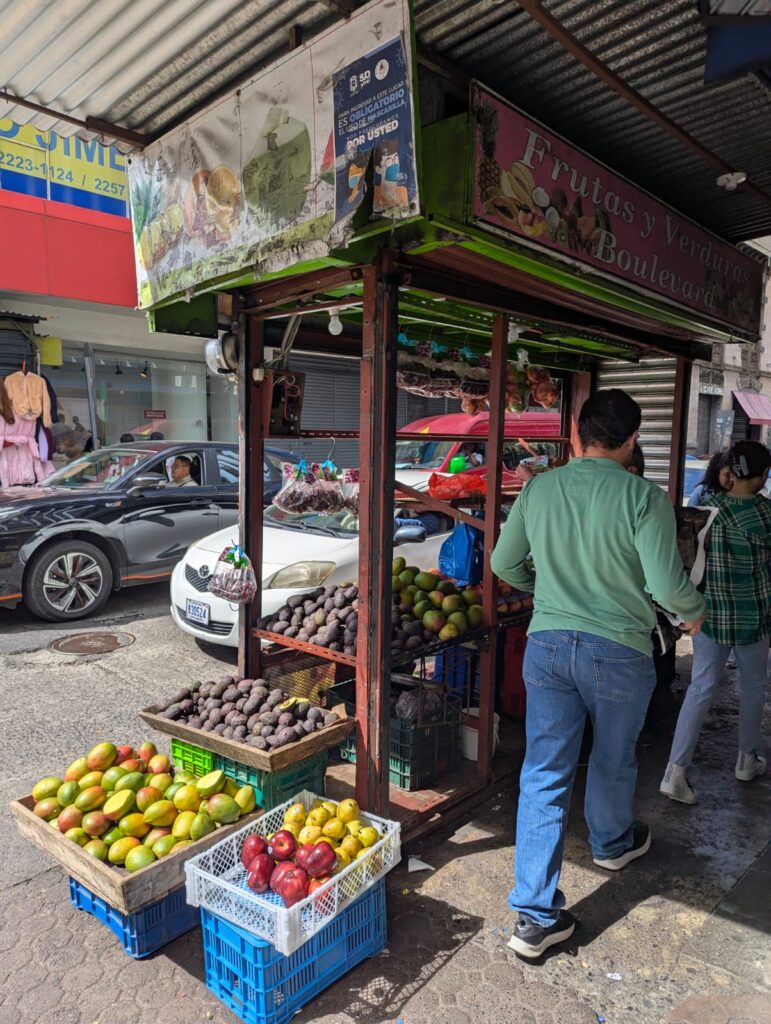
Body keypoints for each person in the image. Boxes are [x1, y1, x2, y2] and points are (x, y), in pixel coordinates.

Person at [490, 389, 705, 959]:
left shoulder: (540, 488)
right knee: (614, 755)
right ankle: (611, 843)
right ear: (633, 441)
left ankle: (533, 919)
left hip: (549, 647)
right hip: (620, 652)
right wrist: (695, 614)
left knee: (544, 771)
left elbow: (504, 564)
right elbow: (665, 585)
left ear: (576, 436)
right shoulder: (644, 498)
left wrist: (551, 596)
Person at [660, 440, 771, 805]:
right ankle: (746, 759)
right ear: (761, 476)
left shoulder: (707, 511)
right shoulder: (766, 515)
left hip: (709, 615)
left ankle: (675, 771)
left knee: (701, 687)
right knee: (753, 687)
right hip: (754, 616)